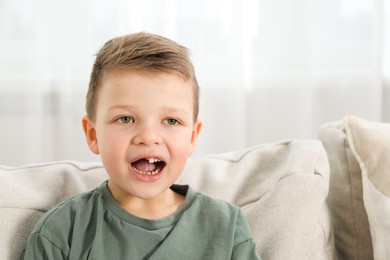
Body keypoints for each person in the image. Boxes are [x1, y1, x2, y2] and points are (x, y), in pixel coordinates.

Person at [21, 32, 260, 259]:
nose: (148, 137)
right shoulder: (62, 231)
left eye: (171, 121)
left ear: (192, 137)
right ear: (93, 134)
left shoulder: (226, 227)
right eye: (125, 119)